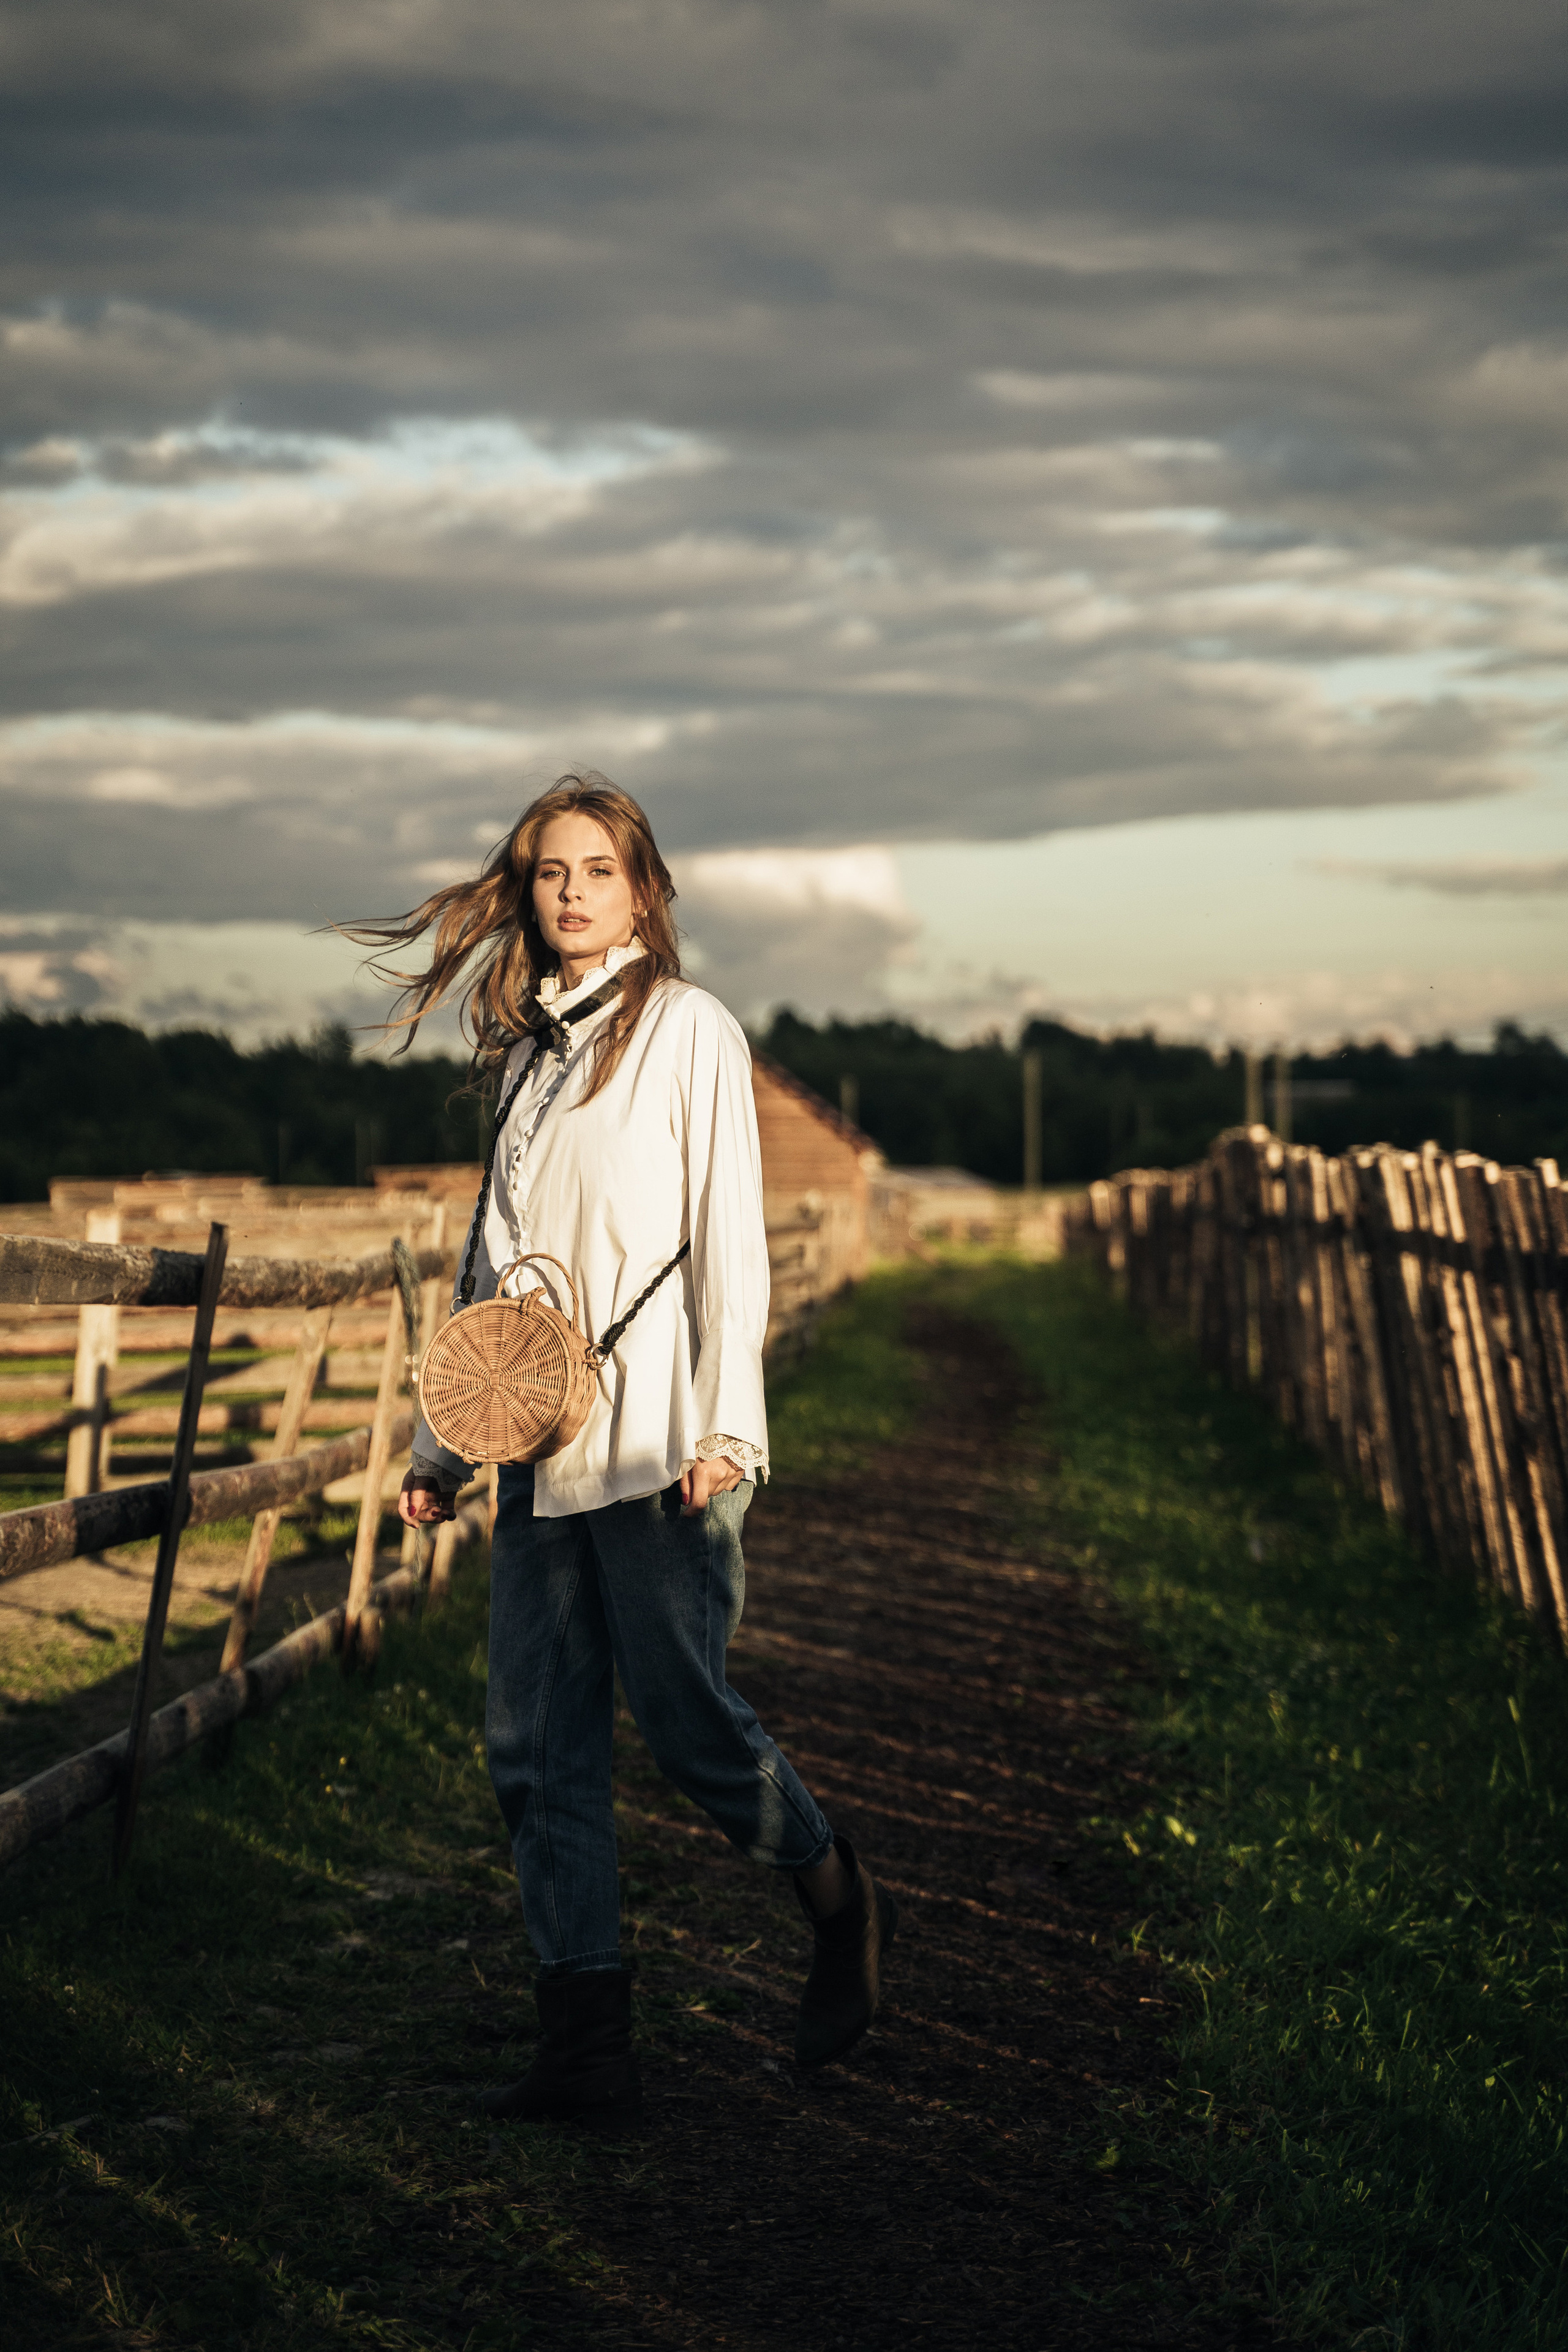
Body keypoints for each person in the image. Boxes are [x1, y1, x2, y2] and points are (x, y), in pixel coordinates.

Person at [355, 771, 897, 2129]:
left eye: (596, 869)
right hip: (536, 1452)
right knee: (534, 1750)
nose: (571, 892)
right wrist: (442, 1443)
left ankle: (836, 1898)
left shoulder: (688, 1032)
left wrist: (727, 1426)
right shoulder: (529, 1059)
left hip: (660, 1444)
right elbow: (499, 1268)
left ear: (643, 889)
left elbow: (727, 1242)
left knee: (690, 1728)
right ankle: (588, 2053)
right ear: (529, 895)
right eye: (550, 873)